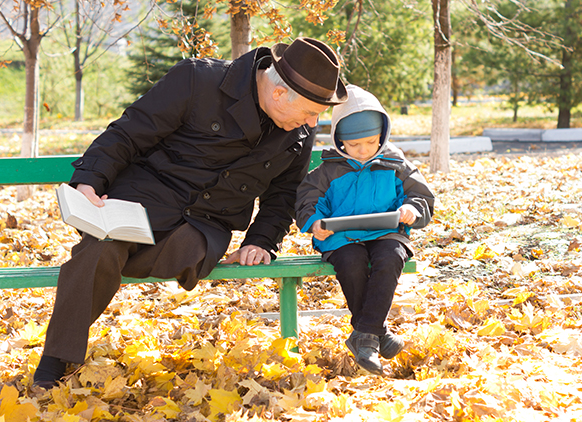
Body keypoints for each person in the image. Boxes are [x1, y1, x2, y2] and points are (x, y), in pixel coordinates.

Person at [32, 37, 348, 389]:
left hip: (203, 227)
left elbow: (283, 196)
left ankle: (117, 258)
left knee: (163, 251)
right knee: (101, 249)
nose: (313, 120)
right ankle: (55, 358)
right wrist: (89, 181)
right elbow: (128, 134)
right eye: (309, 111)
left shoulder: (298, 132)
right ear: (278, 94)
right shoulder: (197, 79)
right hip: (142, 202)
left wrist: (261, 241)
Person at [295, 85, 435, 375]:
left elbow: (421, 196)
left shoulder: (395, 164)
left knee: (391, 256)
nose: (363, 151)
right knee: (352, 262)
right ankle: (376, 335)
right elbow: (308, 200)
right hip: (341, 238)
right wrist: (315, 223)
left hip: (387, 233)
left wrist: (412, 209)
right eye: (353, 144)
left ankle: (364, 337)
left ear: (382, 136)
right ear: (339, 141)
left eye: (371, 142)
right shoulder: (328, 169)